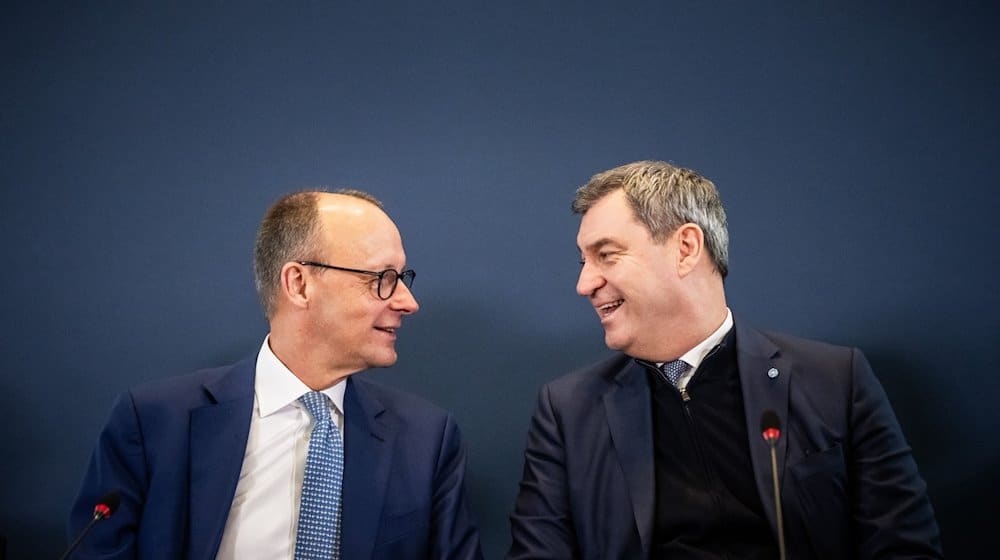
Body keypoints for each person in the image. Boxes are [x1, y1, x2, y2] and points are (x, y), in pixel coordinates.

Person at [507, 161, 942, 559]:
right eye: (583, 261)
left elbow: (905, 549)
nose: (585, 283)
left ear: (686, 248)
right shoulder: (568, 413)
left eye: (606, 255)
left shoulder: (834, 382)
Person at [69, 190, 484, 559]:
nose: (408, 302)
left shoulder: (426, 439)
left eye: (402, 278)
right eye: (383, 279)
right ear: (299, 284)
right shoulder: (155, 422)